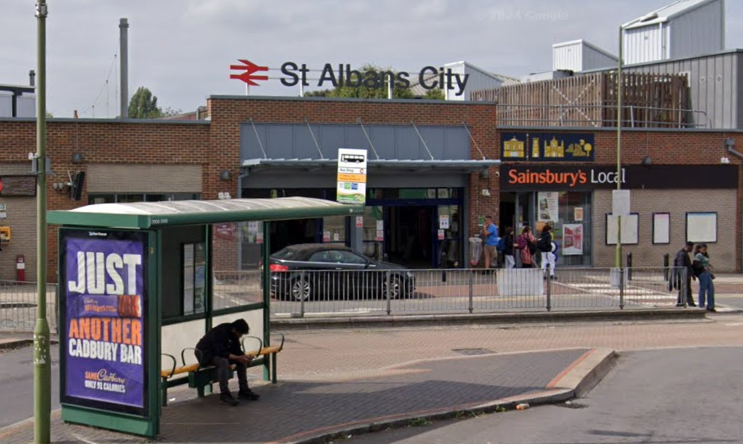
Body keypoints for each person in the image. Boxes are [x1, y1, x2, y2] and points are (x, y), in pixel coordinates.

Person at [194, 319, 260, 406]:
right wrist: (238, 357)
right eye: (240, 334)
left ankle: (244, 390)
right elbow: (221, 352)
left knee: (241, 361)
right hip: (205, 354)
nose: (240, 336)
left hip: (217, 353)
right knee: (223, 362)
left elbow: (237, 350)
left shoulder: (234, 334)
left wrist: (244, 357)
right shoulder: (221, 332)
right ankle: (224, 394)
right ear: (234, 330)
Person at [694, 244, 716, 312]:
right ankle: (701, 305)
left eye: (705, 249)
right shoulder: (699, 255)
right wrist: (703, 267)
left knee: (711, 289)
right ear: (699, 249)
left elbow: (705, 262)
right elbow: (696, 263)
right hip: (702, 273)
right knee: (703, 289)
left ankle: (710, 306)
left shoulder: (704, 255)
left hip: (707, 273)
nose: (704, 251)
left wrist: (709, 266)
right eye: (703, 249)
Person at [674, 241, 696, 307]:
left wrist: (692, 274)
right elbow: (681, 266)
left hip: (685, 275)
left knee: (685, 289)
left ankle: (684, 302)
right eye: (691, 247)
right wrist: (682, 275)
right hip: (684, 275)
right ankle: (684, 303)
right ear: (688, 246)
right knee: (684, 289)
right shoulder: (682, 254)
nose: (692, 249)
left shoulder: (684, 254)